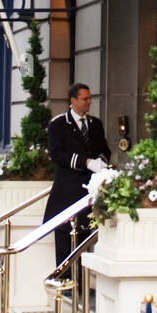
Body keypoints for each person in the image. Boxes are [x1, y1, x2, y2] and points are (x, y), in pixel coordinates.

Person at [43, 82, 111, 269]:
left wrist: (101, 162)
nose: (89, 102)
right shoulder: (58, 124)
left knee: (86, 238)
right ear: (73, 100)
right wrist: (86, 162)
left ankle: (82, 284)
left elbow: (104, 149)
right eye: (85, 99)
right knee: (65, 239)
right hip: (67, 191)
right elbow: (56, 154)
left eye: (90, 98)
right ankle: (65, 282)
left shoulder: (95, 124)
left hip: (89, 191)